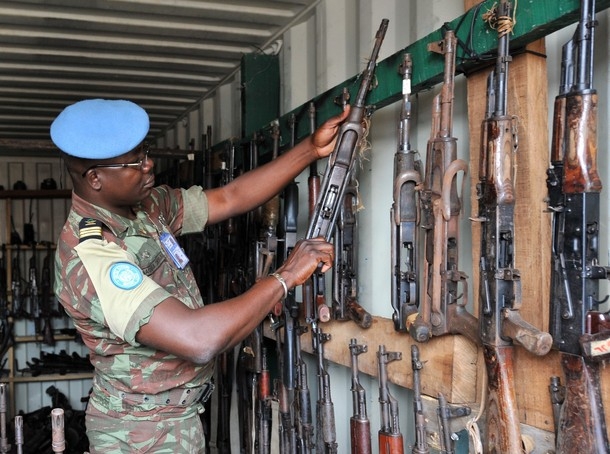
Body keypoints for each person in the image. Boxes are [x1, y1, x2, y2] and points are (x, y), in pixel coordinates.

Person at [50, 98, 350, 453]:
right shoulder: (92, 256)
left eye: (146, 151)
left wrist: (310, 150)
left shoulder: (145, 207)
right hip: (139, 434)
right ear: (95, 178)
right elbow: (198, 340)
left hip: (176, 417)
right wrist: (285, 275)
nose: (149, 165)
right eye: (135, 162)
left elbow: (229, 197)